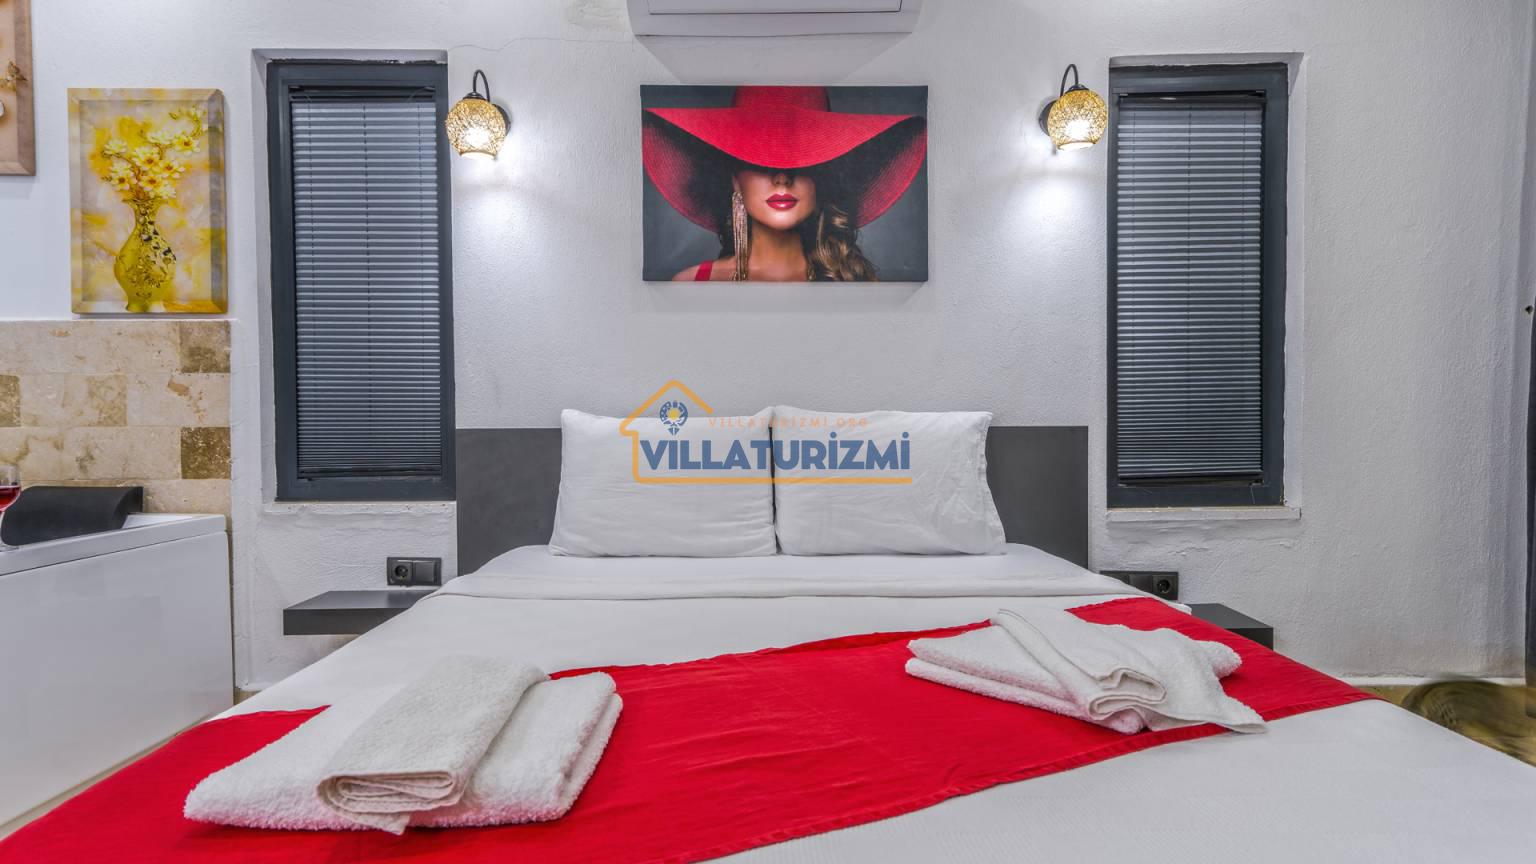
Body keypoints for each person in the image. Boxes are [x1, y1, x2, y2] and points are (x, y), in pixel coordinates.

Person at [642, 86, 927, 282]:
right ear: (735, 180)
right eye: (758, 157)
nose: (781, 176)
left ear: (822, 175)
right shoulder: (691, 284)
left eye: (802, 157)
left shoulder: (855, 286)